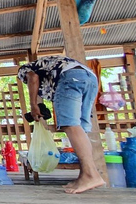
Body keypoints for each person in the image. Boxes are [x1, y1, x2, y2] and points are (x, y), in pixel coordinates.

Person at [18, 55, 105, 194]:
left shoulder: (25, 70)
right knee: (80, 128)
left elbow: (32, 78)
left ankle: (90, 175)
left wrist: (33, 105)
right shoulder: (48, 68)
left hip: (71, 77)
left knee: (70, 125)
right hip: (90, 78)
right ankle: (85, 176)